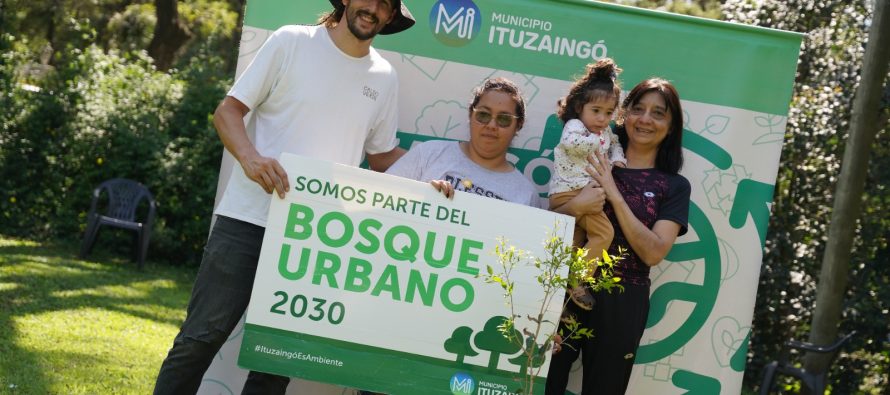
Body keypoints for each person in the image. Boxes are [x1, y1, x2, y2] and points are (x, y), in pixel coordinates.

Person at [152, 1, 415, 394]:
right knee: (199, 340)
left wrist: (434, 179)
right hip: (247, 220)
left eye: (386, 4)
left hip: (312, 239)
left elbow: (381, 156)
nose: (373, 8)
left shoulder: (384, 77)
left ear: (392, 16)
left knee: (273, 363)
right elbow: (228, 112)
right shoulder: (291, 41)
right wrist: (251, 159)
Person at [355, 77, 541, 395]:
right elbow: (376, 213)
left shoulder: (525, 194)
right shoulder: (430, 155)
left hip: (463, 339)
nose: (491, 125)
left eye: (503, 119)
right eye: (483, 114)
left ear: (517, 126)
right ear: (470, 115)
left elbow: (523, 278)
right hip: (399, 319)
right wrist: (420, 199)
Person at [544, 78, 691, 395]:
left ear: (671, 125)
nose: (646, 119)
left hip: (624, 299)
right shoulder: (589, 154)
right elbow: (545, 228)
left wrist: (614, 192)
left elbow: (653, 253)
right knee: (541, 385)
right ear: (623, 114)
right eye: (638, 109)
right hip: (565, 289)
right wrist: (576, 205)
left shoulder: (675, 186)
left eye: (658, 113)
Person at [549, 58, 627, 311]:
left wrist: (617, 159)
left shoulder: (604, 133)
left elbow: (615, 143)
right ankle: (577, 280)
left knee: (575, 241)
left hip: (581, 194)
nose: (603, 119)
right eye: (596, 111)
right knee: (604, 234)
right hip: (568, 193)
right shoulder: (575, 127)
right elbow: (573, 144)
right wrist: (599, 142)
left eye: (608, 113)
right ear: (580, 107)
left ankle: (559, 287)